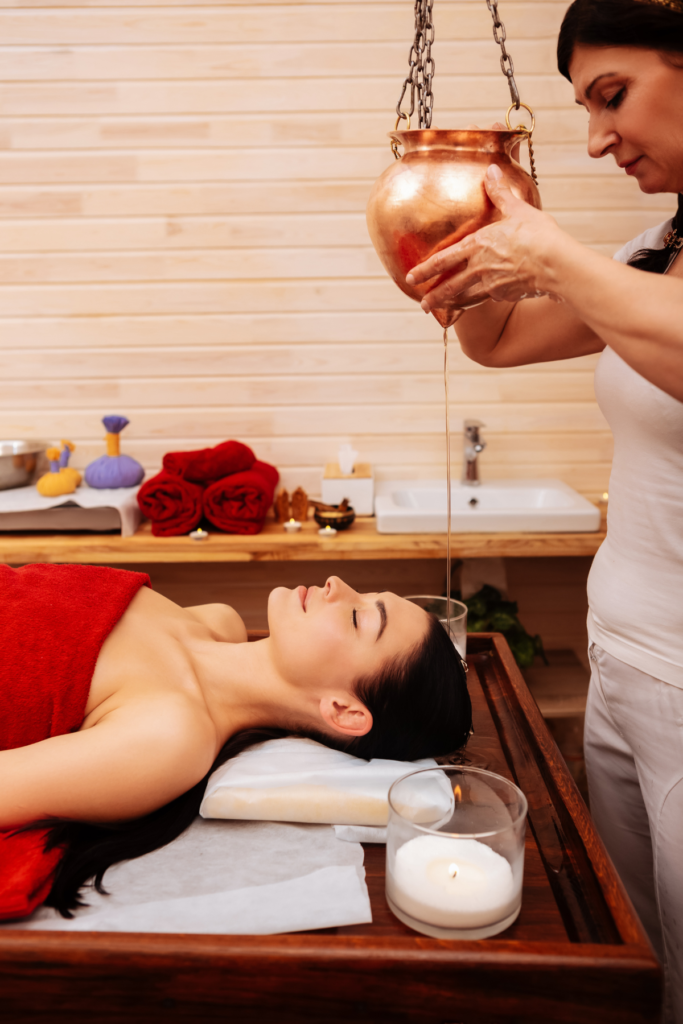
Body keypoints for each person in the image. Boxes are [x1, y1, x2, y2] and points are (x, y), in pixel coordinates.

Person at [406, 0, 683, 1019]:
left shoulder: (622, 274)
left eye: (613, 96)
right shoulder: (651, 255)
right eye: (582, 110)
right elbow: (497, 340)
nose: (597, 138)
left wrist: (546, 247)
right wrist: (477, 232)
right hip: (624, 657)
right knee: (636, 955)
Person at [0, 562, 470, 918]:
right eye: (364, 594)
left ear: (344, 711)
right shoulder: (217, 622)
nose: (336, 584)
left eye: (357, 618)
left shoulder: (169, 739)